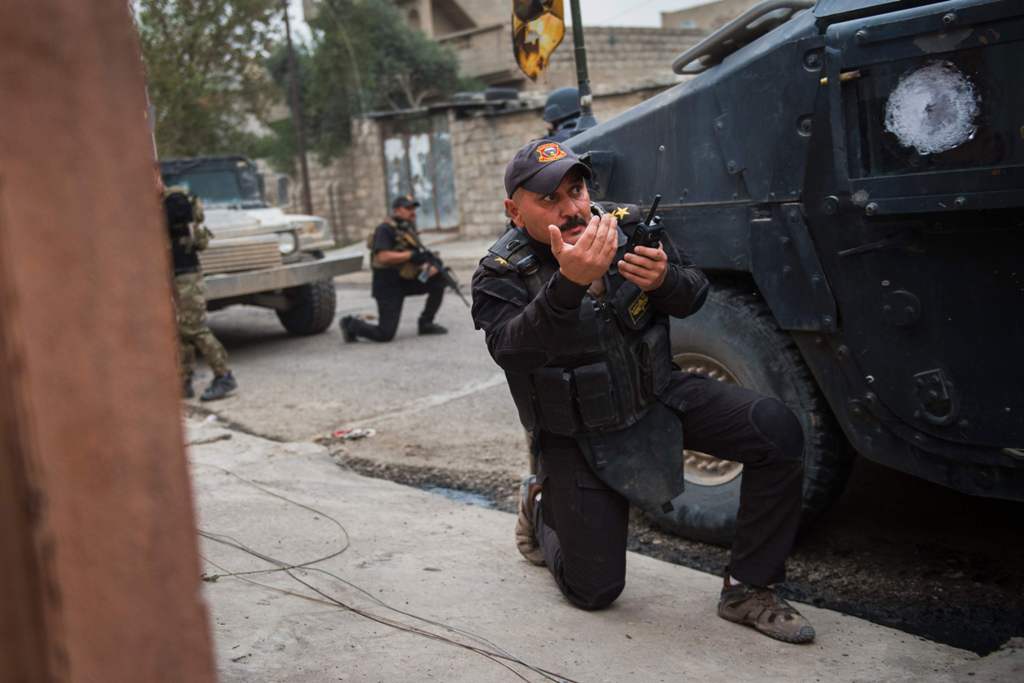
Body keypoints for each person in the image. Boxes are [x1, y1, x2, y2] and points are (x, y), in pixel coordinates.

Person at [470, 139, 815, 644]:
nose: (571, 209)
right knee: (596, 591)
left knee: (777, 432)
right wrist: (567, 285)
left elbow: (694, 291)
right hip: (576, 432)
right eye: (549, 200)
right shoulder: (499, 273)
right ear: (513, 211)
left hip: (656, 393)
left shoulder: (626, 228)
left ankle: (748, 588)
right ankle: (541, 507)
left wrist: (664, 281)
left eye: (577, 189)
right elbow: (511, 350)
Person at [162, 177, 238, 401]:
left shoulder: (173, 199)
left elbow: (177, 221)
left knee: (194, 328)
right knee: (181, 329)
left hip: (187, 275)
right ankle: (184, 381)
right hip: (176, 274)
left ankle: (224, 376)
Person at [340, 195, 448, 342]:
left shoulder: (407, 230)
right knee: (385, 334)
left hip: (407, 279)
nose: (413, 212)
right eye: (408, 208)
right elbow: (383, 257)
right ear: (397, 210)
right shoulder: (384, 229)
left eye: (414, 209)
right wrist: (411, 255)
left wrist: (430, 266)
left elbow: (414, 258)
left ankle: (426, 323)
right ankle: (350, 324)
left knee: (440, 277)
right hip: (388, 286)